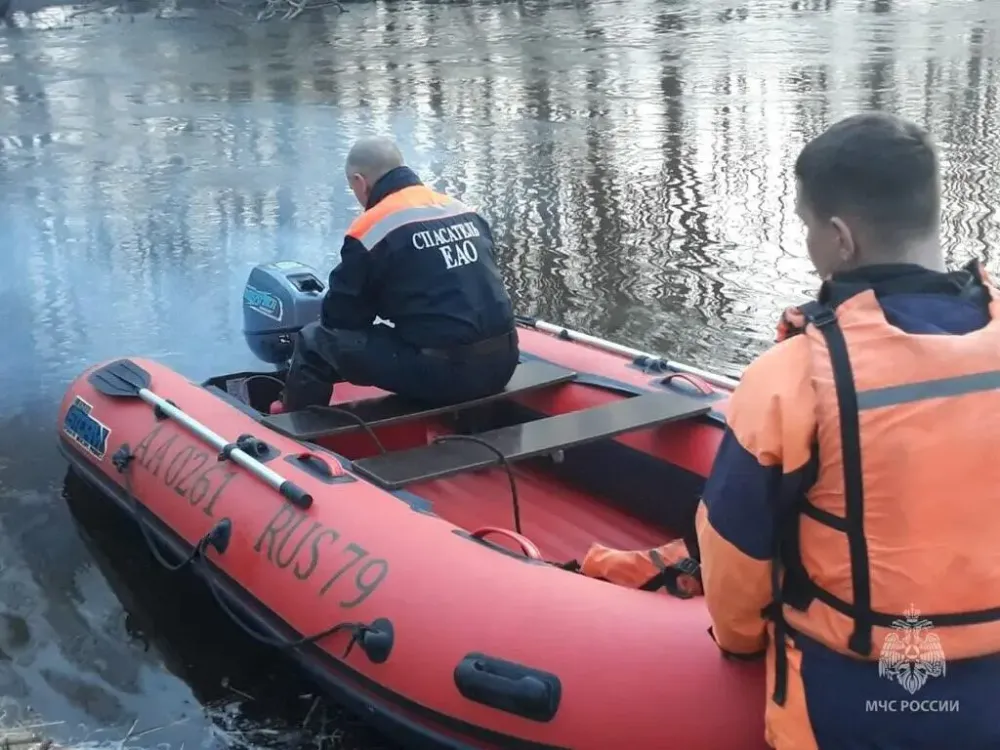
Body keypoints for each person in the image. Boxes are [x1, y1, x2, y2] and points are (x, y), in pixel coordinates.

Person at [695, 112, 1000, 750]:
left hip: (855, 701)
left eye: (808, 227)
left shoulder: (792, 378)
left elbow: (734, 551)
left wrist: (742, 645)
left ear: (839, 237)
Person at [281, 136, 519, 410]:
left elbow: (340, 319)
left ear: (360, 181)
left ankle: (292, 432)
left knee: (315, 343)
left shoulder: (372, 229)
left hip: (447, 374)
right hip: (504, 361)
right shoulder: (463, 211)